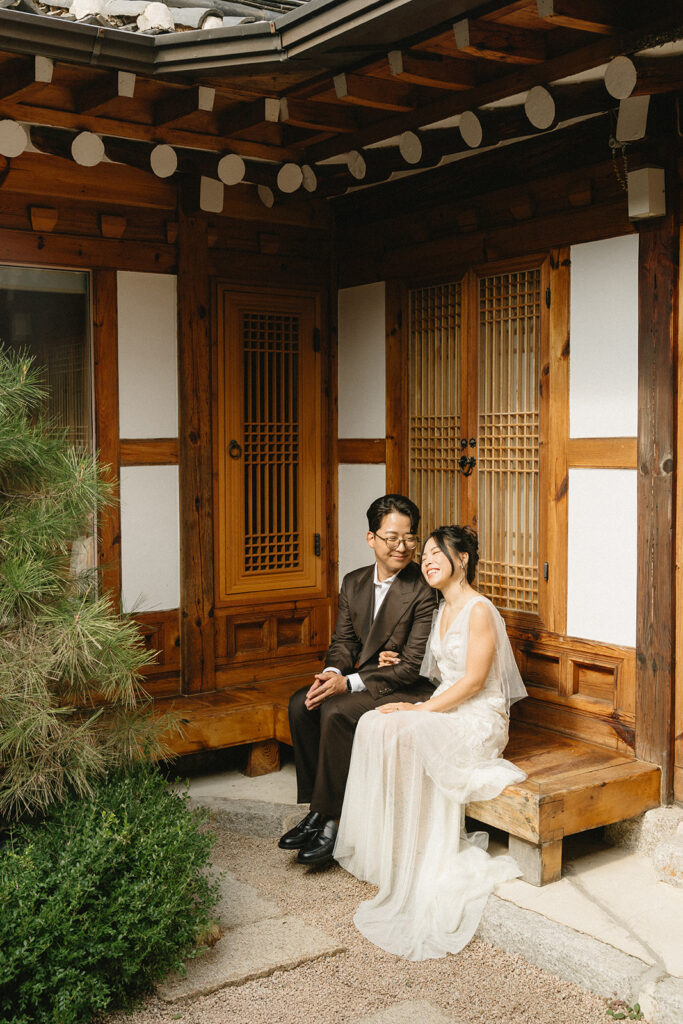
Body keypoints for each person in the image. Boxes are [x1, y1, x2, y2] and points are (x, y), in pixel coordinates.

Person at [334, 525, 528, 960]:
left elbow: (476, 681)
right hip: (447, 704)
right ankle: (397, 844)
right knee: (374, 724)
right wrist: (394, 664)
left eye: (437, 554)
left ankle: (427, 850)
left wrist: (419, 711)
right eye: (425, 556)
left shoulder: (479, 610)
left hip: (480, 716)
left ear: (462, 559)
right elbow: (435, 675)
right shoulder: (440, 609)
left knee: (408, 727)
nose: (427, 560)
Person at [279, 494, 437, 866]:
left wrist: (348, 683)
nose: (403, 546)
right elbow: (344, 642)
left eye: (410, 537)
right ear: (371, 539)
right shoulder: (353, 582)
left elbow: (412, 666)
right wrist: (331, 673)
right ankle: (318, 808)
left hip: (405, 685)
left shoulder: (423, 589)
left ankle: (333, 819)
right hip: (367, 677)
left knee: (336, 711)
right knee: (302, 704)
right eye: (392, 538)